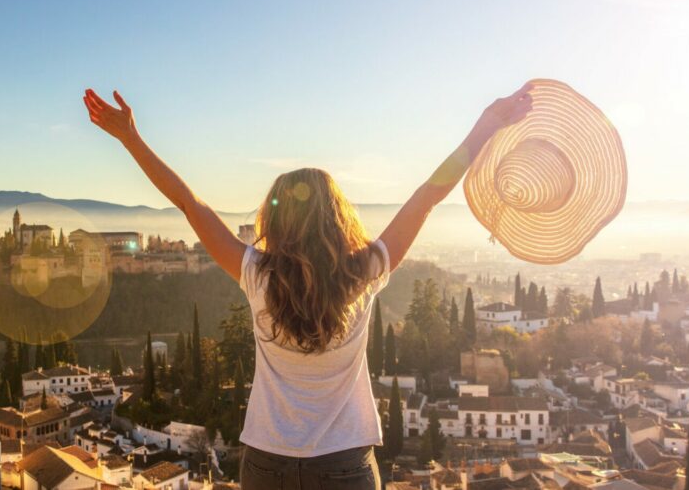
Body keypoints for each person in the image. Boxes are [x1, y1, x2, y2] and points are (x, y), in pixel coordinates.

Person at [83, 83, 533, 489]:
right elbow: (428, 195)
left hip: (267, 464)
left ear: (276, 220)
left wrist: (132, 139)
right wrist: (485, 126)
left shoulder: (256, 274)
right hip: (345, 465)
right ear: (337, 217)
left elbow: (188, 202)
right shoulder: (365, 272)